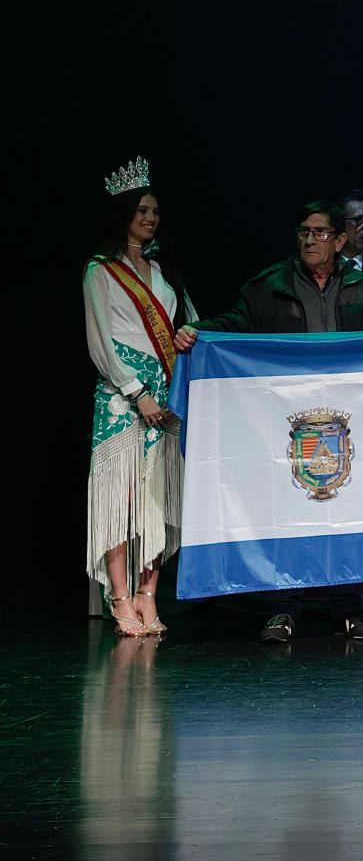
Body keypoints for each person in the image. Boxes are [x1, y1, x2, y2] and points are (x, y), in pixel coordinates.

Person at [175, 200, 363, 641]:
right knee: (286, 510)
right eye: (303, 232)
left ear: (340, 240)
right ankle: (283, 607)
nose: (310, 240)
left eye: (320, 233)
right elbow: (233, 327)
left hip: (350, 421)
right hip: (288, 422)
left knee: (347, 510)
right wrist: (198, 335)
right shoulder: (269, 286)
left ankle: (346, 608)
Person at [85, 157, 198, 638]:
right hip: (122, 393)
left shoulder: (164, 270)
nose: (150, 218)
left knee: (158, 496)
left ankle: (150, 595)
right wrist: (135, 392)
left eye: (154, 211)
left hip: (166, 387)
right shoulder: (101, 271)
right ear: (123, 214)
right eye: (141, 210)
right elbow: (100, 341)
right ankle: (120, 595)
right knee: (120, 497)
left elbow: (189, 321)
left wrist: (188, 331)